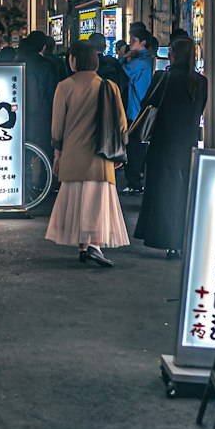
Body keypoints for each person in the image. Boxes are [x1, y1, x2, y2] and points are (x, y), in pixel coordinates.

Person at [45, 41, 129, 267]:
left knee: (78, 201)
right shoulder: (108, 86)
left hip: (73, 154)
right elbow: (121, 124)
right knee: (97, 202)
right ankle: (95, 246)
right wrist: (120, 150)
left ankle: (84, 247)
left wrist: (57, 154)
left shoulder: (64, 86)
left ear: (74, 59)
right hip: (100, 156)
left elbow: (57, 127)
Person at [134, 37, 209, 258]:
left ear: (172, 55)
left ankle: (169, 243)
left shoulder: (164, 78)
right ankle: (185, 241)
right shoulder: (200, 82)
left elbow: (147, 103)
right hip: (188, 148)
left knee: (164, 195)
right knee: (184, 195)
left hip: (163, 146)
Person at [16, 30, 58, 157]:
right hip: (43, 115)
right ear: (43, 47)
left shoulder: (18, 62)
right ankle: (45, 176)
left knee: (24, 150)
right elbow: (52, 93)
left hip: (20, 114)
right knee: (45, 151)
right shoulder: (47, 65)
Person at [123, 23, 154, 194]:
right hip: (141, 109)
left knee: (133, 148)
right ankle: (136, 180)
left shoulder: (140, 63)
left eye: (132, 40)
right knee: (137, 146)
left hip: (135, 111)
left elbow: (122, 72)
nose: (130, 43)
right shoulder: (147, 60)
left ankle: (134, 183)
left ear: (142, 42)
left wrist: (124, 57)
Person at [86, 31, 129, 109]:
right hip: (112, 109)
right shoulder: (113, 62)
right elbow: (124, 86)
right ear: (105, 47)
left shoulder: (85, 64)